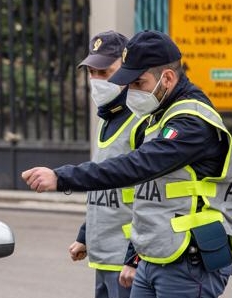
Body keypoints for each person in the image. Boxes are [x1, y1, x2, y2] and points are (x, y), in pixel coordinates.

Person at [21, 30, 232, 298]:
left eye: (138, 83)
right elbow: (147, 198)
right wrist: (134, 256)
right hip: (154, 255)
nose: (132, 92)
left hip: (190, 259)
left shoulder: (191, 121)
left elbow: (137, 166)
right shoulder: (158, 114)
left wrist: (63, 177)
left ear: (167, 78)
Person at [68, 30, 146, 298]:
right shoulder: (105, 120)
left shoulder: (140, 122)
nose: (97, 80)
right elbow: (99, 182)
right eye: (92, 72)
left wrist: (136, 257)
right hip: (103, 257)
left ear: (126, 69)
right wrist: (85, 235)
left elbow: (153, 199)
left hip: (126, 261)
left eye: (105, 72)